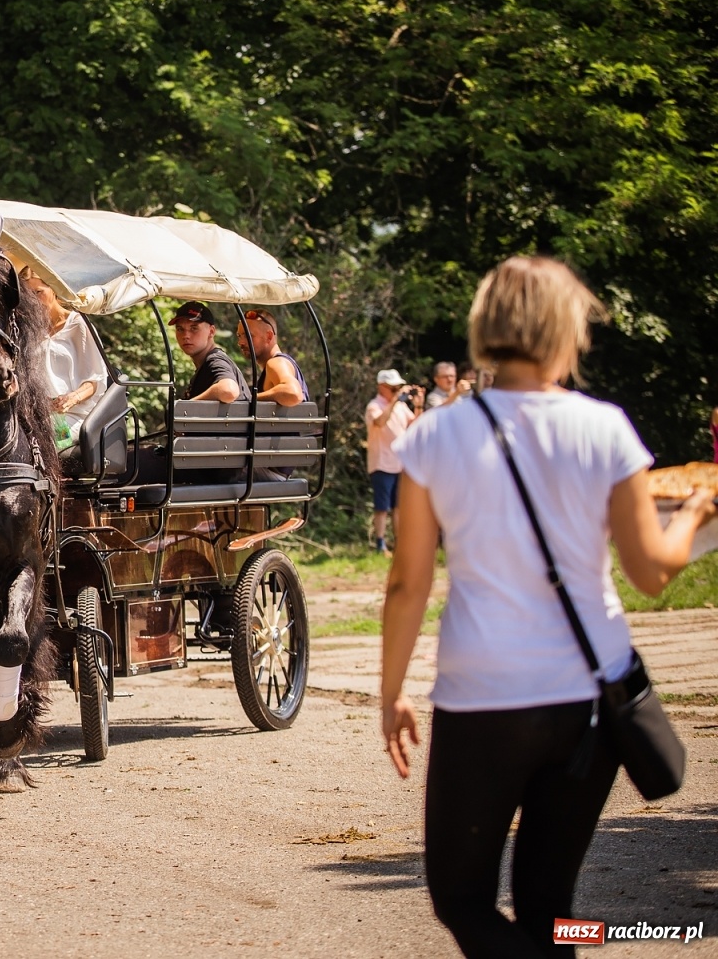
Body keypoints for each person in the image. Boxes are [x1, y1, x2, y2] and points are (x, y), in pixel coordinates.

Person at [380, 256, 716, 957]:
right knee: (551, 911)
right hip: (588, 700)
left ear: (484, 328)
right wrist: (692, 514)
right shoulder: (607, 429)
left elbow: (407, 583)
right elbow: (652, 573)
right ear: (566, 329)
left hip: (484, 696)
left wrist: (392, 693)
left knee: (463, 900)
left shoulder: (436, 435)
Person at [21, 267, 106, 450]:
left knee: (41, 440)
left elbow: (95, 380)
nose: (34, 301)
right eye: (28, 296)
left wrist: (71, 399)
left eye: (38, 292)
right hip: (39, 415)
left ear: (54, 290)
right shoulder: (27, 331)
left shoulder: (78, 324)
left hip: (75, 416)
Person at [366, 369, 421, 552]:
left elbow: (415, 426)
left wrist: (418, 406)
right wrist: (396, 400)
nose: (397, 390)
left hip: (400, 464)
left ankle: (400, 543)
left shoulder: (400, 406)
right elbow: (380, 422)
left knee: (398, 506)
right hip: (382, 464)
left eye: (398, 387)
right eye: (393, 387)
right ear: (382, 387)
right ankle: (380, 543)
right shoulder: (374, 406)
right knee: (382, 507)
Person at [172, 301, 246, 403]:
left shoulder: (215, 361)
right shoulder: (205, 365)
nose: (186, 336)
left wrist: (185, 408)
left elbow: (229, 390)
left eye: (194, 328)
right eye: (180, 329)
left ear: (211, 331)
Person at [235, 309, 308, 406]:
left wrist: (249, 398)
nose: (241, 342)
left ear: (269, 336)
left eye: (249, 336)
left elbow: (293, 393)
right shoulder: (277, 363)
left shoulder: (276, 363)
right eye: (239, 336)